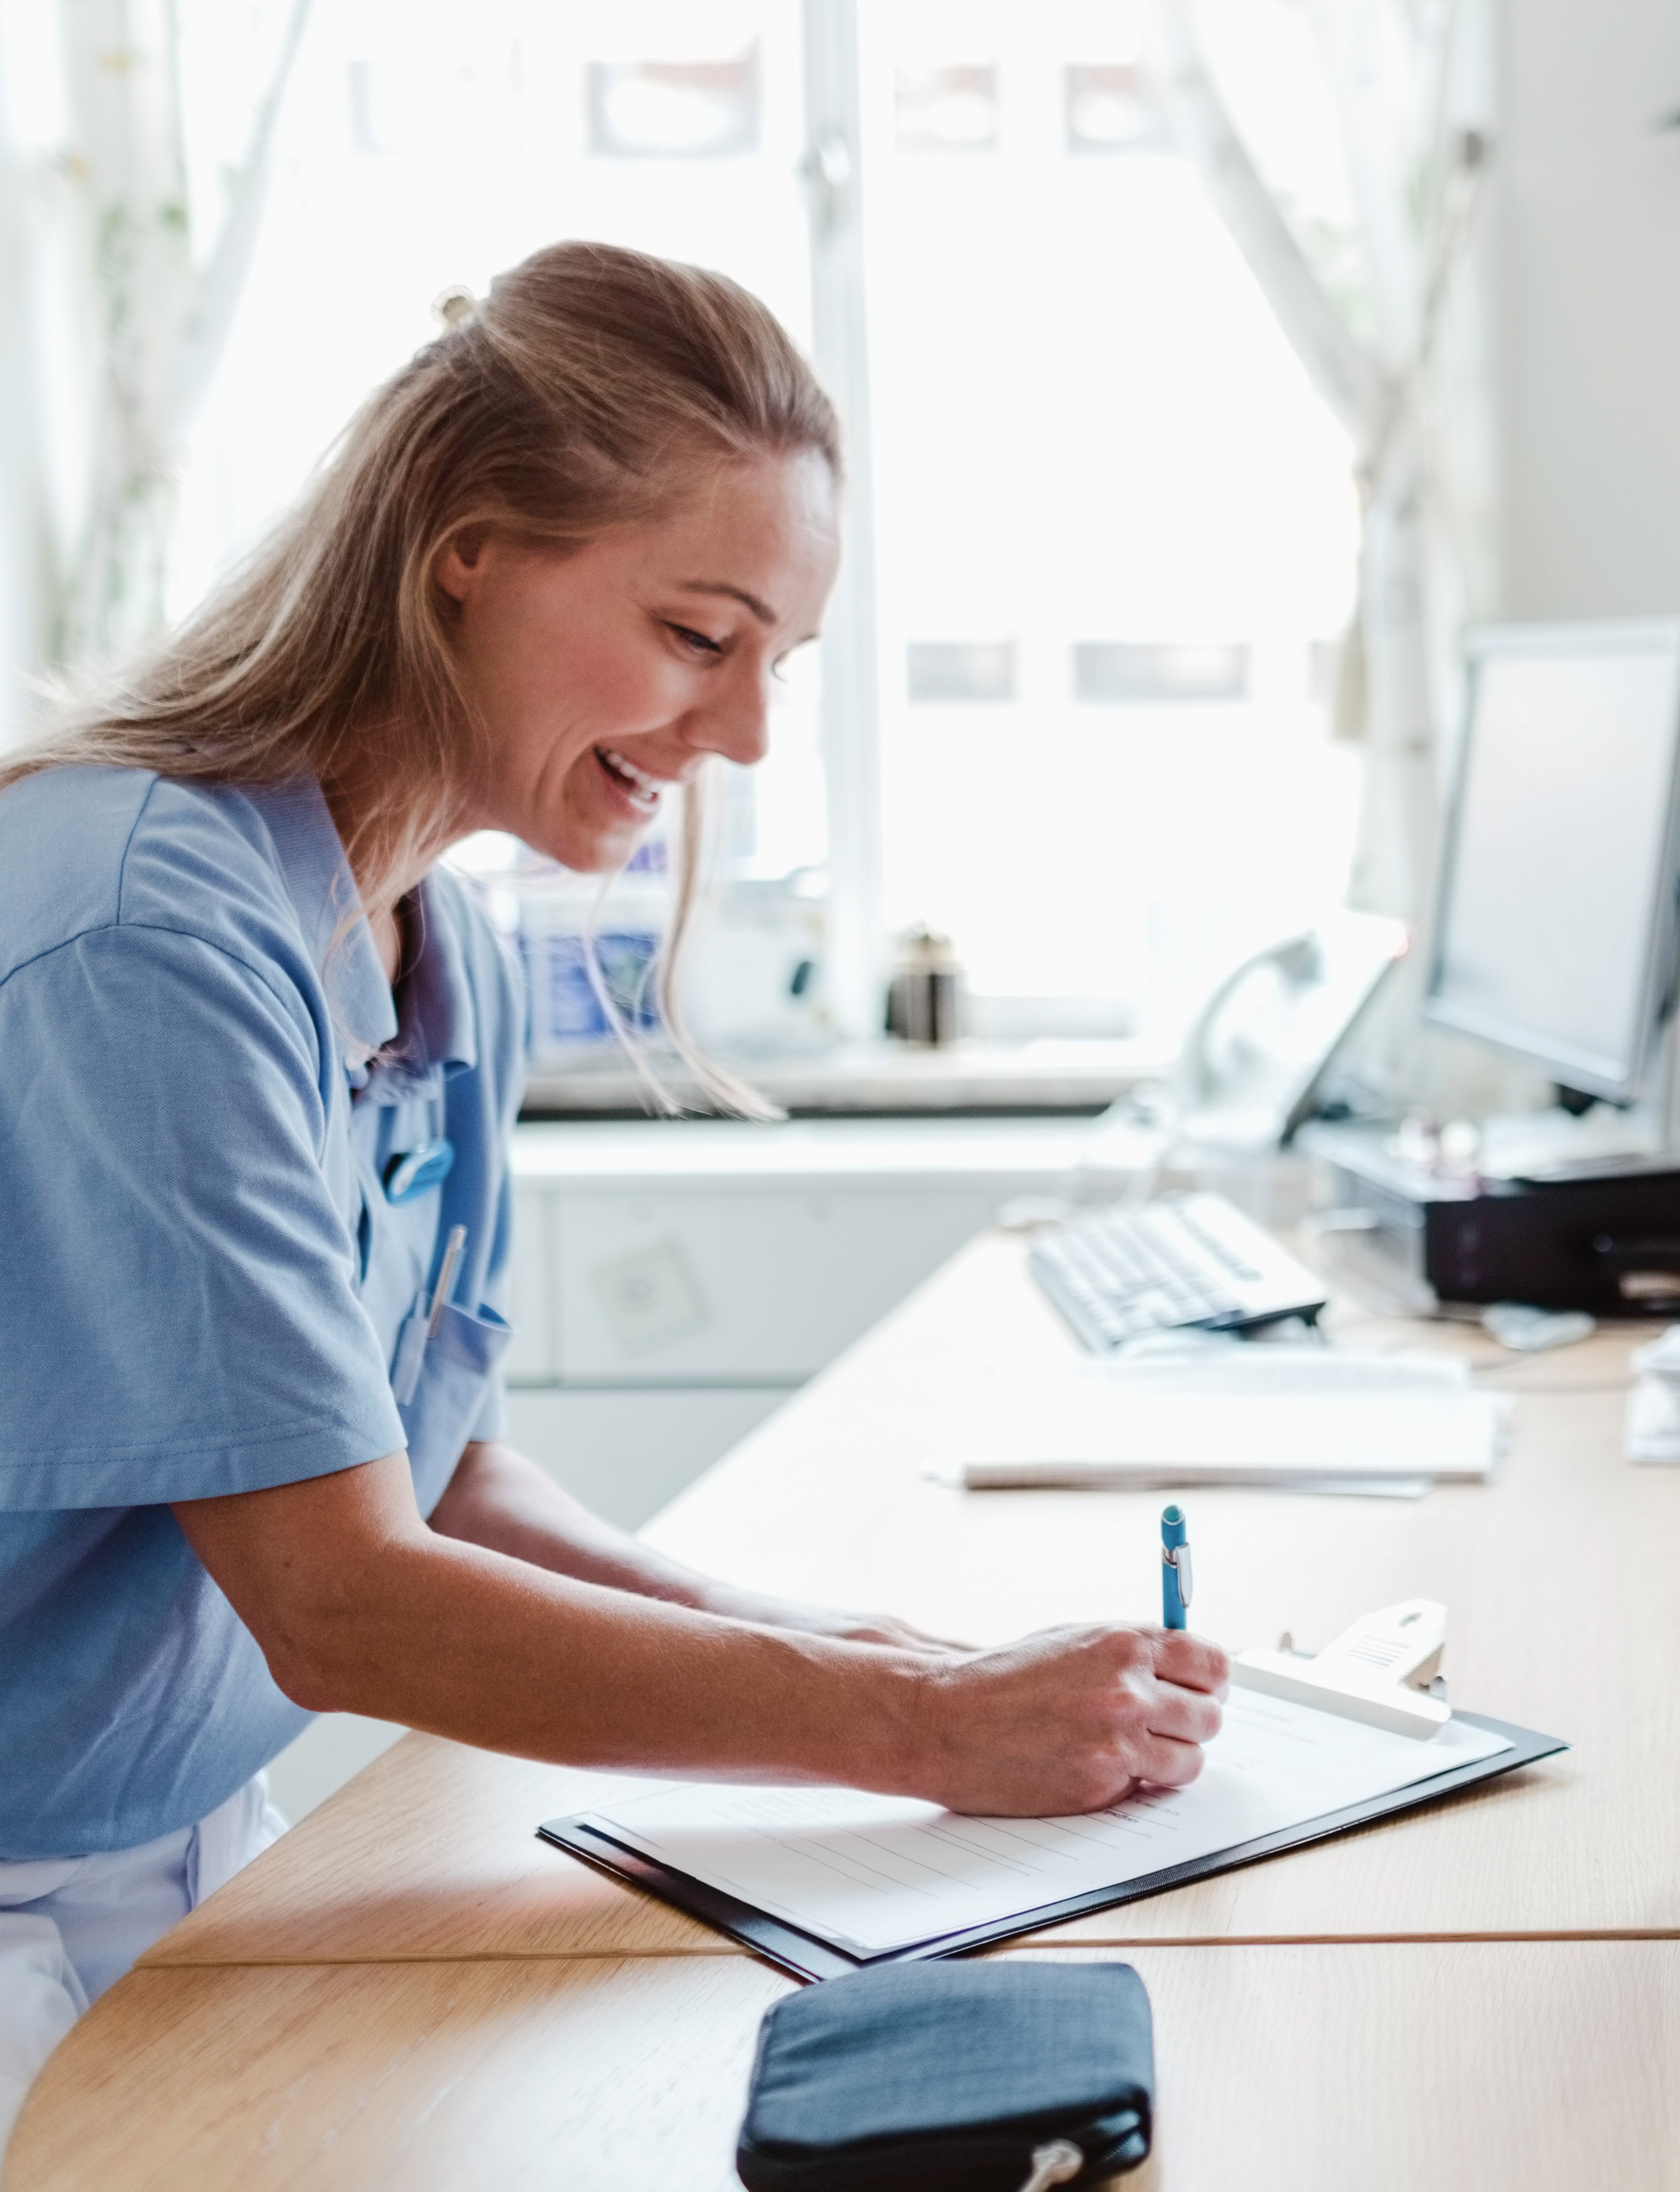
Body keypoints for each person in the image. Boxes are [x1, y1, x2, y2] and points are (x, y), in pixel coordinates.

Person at [0, 243, 1227, 2150]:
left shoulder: (445, 951)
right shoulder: (139, 932)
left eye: (776, 665)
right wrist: (914, 1734)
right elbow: (342, 1600)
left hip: (157, 1843)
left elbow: (436, 1465)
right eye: (696, 635)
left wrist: (860, 1655)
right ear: (463, 552)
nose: (741, 734)